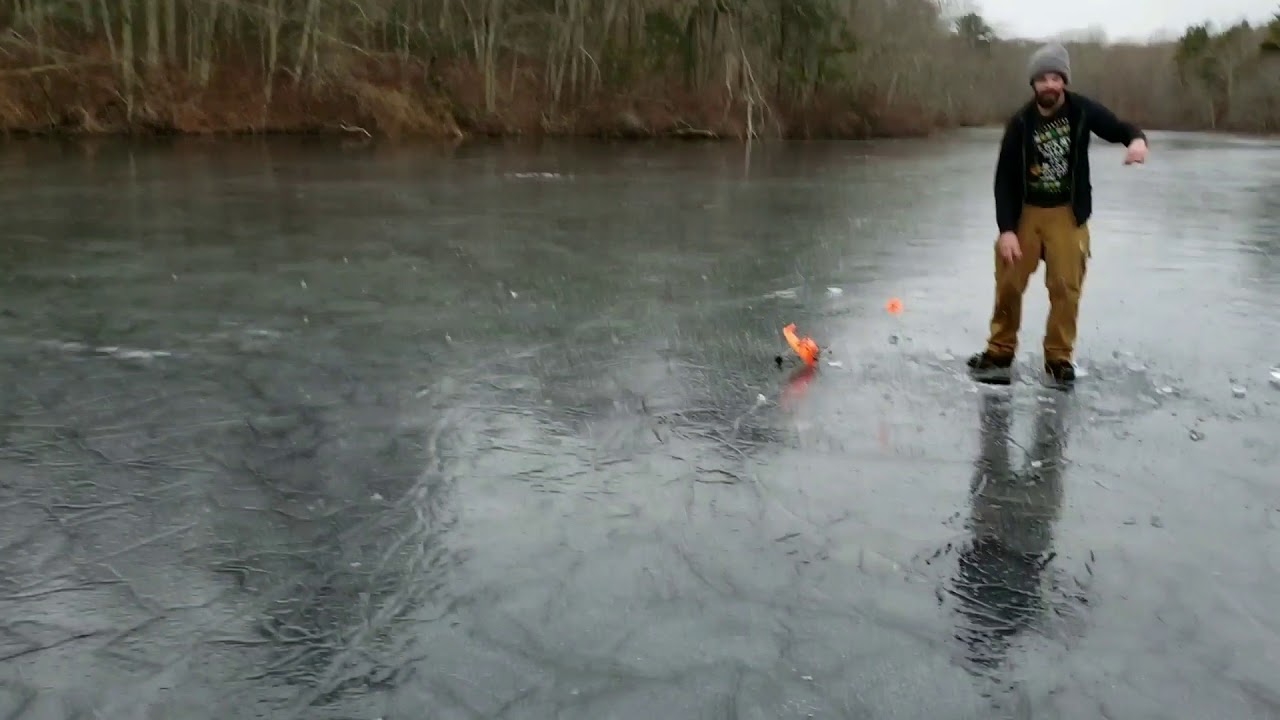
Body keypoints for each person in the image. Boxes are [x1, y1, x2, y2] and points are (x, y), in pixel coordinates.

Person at [967, 42, 1149, 385]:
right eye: (1042, 79)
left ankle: (1059, 358)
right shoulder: (1021, 122)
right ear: (1033, 84)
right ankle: (1000, 350)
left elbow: (1118, 128)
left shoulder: (1082, 111)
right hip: (1025, 214)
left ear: (1064, 80)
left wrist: (1136, 141)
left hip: (1067, 213)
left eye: (1056, 78)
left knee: (1066, 288)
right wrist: (1006, 229)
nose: (1050, 85)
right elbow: (1004, 178)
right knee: (1008, 283)